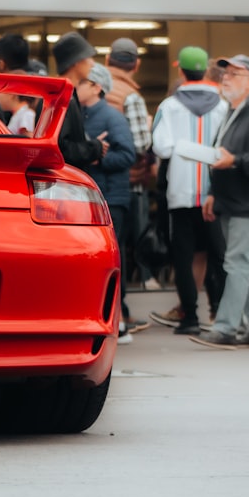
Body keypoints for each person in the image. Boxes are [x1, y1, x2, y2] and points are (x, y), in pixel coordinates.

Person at [149, 46, 228, 335]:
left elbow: (162, 147)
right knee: (218, 255)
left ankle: (190, 318)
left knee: (183, 256)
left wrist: (186, 149)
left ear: (180, 71)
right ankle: (220, 314)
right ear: (205, 71)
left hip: (180, 192)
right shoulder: (223, 105)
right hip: (215, 193)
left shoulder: (168, 106)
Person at [190, 54, 249, 349]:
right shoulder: (234, 111)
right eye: (226, 72)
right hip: (235, 201)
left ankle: (225, 327)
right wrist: (213, 193)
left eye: (235, 73)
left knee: (238, 264)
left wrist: (234, 161)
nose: (226, 77)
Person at [77, 62, 137, 344]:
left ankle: (120, 321)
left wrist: (97, 158)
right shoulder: (82, 115)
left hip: (112, 198)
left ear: (96, 87)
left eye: (81, 83)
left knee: (114, 259)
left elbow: (128, 155)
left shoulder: (113, 118)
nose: (76, 88)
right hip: (92, 199)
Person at [105, 38, 156, 291]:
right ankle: (146, 281)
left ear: (107, 60)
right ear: (136, 65)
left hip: (99, 178)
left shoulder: (94, 88)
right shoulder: (132, 97)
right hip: (129, 181)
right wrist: (148, 127)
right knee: (130, 240)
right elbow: (139, 144)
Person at [51, 32, 106, 169]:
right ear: (75, 62)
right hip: (64, 186)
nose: (93, 64)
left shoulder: (62, 93)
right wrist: (94, 148)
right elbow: (60, 149)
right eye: (88, 58)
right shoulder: (61, 97)